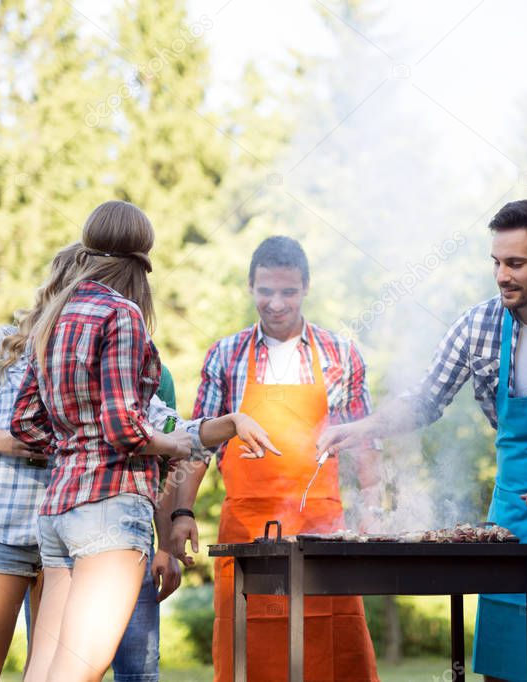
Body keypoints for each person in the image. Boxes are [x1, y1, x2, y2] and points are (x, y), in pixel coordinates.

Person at [319, 200, 527, 681]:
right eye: (496, 262)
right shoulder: (476, 327)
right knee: (504, 665)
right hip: (510, 521)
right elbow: (425, 400)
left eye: (516, 263)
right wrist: (362, 428)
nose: (502, 275)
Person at [11, 201, 277, 682]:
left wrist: (78, 441)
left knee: (46, 673)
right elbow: (125, 429)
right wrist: (175, 447)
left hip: (56, 513)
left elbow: (25, 423)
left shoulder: (53, 317)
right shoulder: (122, 314)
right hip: (109, 511)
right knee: (75, 673)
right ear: (142, 261)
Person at [0, 242, 192, 682]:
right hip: (1, 524)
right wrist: (2, 440)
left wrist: (213, 428)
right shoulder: (7, 344)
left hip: (67, 523)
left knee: (56, 667)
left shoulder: (101, 348)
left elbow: (148, 421)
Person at [176, 235, 381, 682]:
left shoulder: (339, 355)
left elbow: (365, 440)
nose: (276, 303)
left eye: (287, 291)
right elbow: (198, 445)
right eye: (265, 290)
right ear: (250, 286)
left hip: (324, 535)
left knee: (334, 649)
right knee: (248, 652)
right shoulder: (226, 355)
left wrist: (374, 506)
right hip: (247, 536)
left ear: (306, 287)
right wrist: (182, 511)